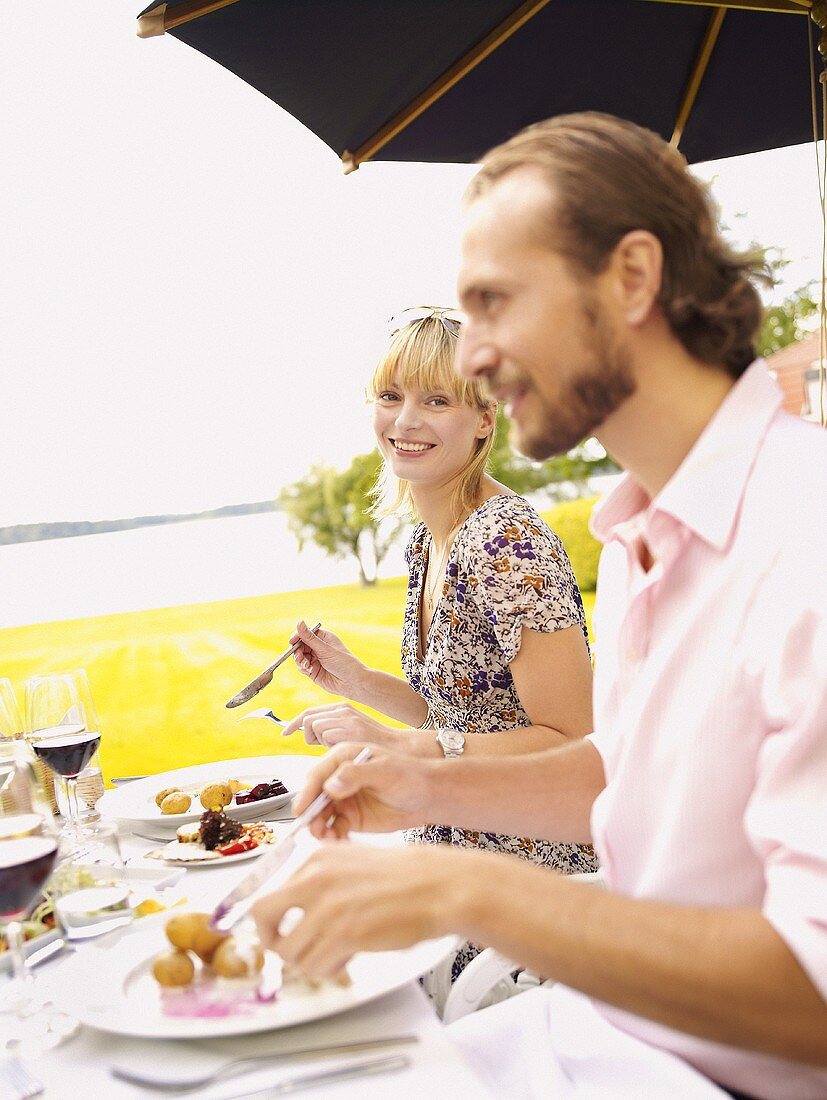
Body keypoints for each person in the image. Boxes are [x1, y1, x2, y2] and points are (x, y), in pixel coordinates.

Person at [253, 113, 827, 1099]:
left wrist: (460, 884)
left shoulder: (800, 533)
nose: (470, 358)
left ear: (631, 279)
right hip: (603, 1033)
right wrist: (430, 788)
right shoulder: (648, 531)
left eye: (493, 303)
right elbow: (627, 768)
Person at [282, 307, 597, 998]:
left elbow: (570, 736)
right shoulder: (429, 540)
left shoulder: (505, 542)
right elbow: (465, 713)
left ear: (484, 418)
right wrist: (361, 684)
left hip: (523, 875)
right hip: (450, 850)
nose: (406, 420)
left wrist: (400, 749)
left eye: (437, 400)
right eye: (391, 397)